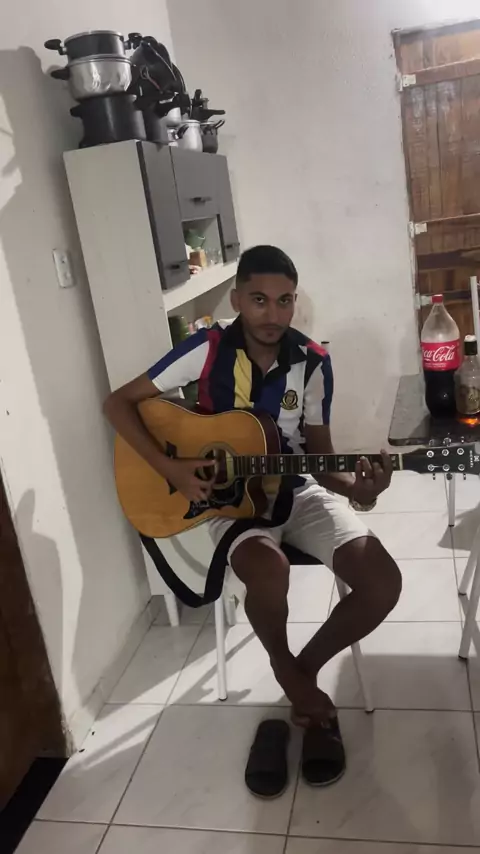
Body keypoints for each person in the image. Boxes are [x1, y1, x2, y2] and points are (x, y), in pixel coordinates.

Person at [104, 245, 401, 793]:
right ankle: (301, 689)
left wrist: (361, 491)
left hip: (297, 489)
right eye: (259, 299)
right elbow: (117, 403)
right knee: (268, 569)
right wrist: (172, 467)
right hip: (230, 502)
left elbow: (321, 457)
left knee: (383, 580)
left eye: (285, 301)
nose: (273, 313)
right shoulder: (207, 348)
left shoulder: (313, 361)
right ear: (237, 299)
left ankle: (297, 673)